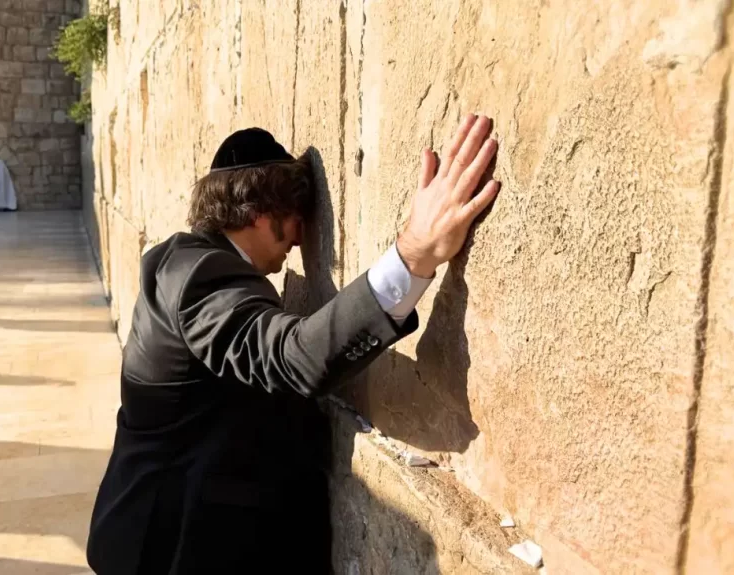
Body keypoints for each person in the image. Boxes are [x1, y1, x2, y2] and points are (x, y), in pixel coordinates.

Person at [87, 114, 500, 574]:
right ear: (260, 214)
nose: (302, 237)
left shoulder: (188, 264)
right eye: (297, 216)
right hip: (167, 548)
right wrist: (415, 254)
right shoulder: (197, 279)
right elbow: (293, 357)